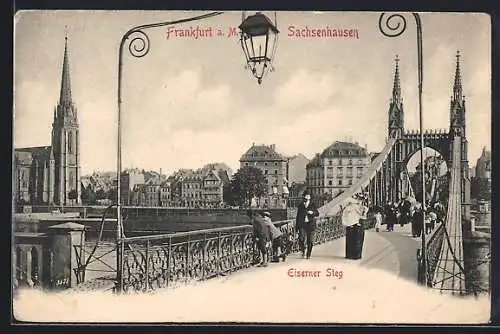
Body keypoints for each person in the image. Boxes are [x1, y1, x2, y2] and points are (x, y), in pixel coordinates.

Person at [295, 190, 319, 259]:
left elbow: (317, 213)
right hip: (303, 225)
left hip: (311, 225)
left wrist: (313, 212)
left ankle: (308, 254)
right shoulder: (300, 205)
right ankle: (303, 251)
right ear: (304, 197)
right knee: (301, 238)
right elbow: (298, 217)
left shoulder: (313, 204)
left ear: (310, 197)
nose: (307, 197)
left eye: (308, 195)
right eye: (306, 195)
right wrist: (297, 229)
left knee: (310, 241)